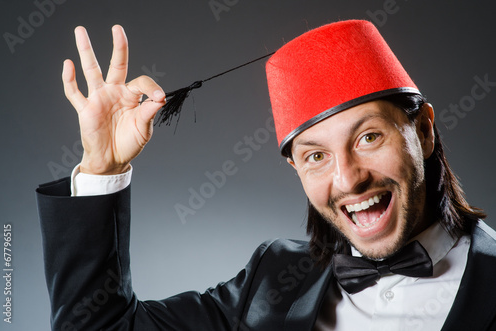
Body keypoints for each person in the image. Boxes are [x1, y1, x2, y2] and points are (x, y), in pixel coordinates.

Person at [37, 20, 496, 331]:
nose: (349, 179)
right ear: (295, 168)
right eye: (316, 156)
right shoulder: (275, 280)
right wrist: (103, 167)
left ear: (423, 129)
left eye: (368, 138)